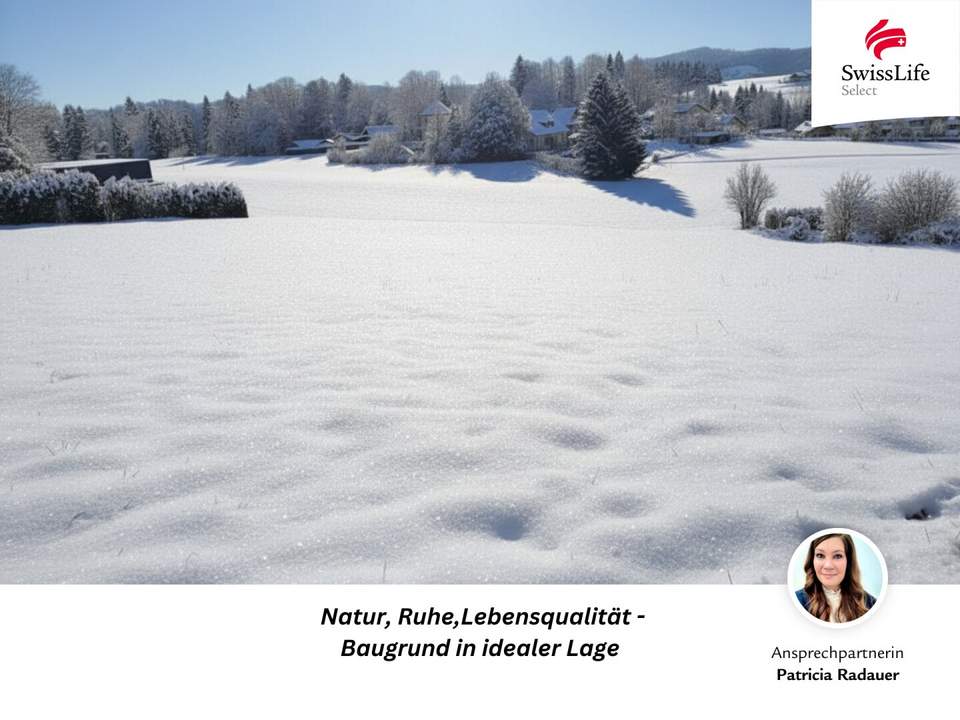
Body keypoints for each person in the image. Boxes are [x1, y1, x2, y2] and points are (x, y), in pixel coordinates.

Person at [796, 533, 876, 623]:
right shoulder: (797, 602)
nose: (828, 566)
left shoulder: (870, 603)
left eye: (837, 556)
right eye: (820, 555)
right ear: (812, 560)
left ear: (848, 561)